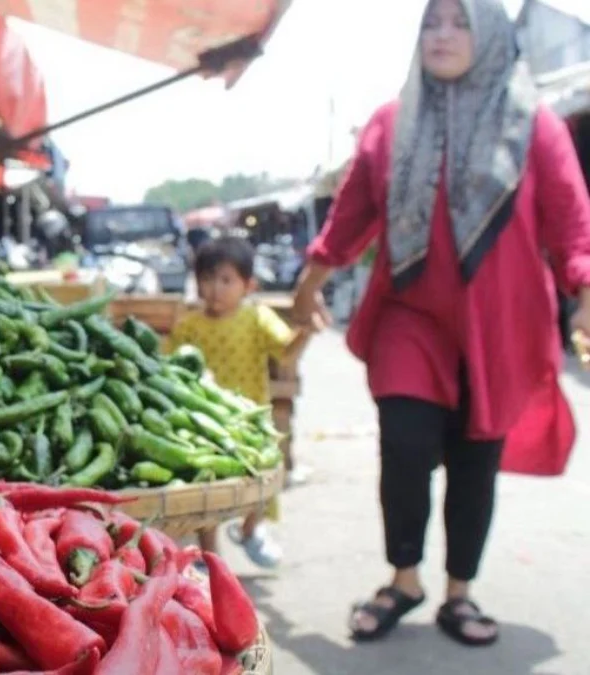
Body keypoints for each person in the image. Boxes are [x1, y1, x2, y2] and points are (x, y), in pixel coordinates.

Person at [292, 0, 590, 647]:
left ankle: (459, 591)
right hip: (411, 317)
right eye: (432, 22)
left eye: (459, 23)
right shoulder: (390, 125)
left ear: (488, 39)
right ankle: (404, 577)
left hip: (500, 327)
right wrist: (307, 286)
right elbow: (348, 223)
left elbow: (572, 225)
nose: (442, 35)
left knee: (474, 457)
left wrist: (585, 288)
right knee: (404, 442)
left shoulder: (533, 126)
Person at [168, 236, 316, 568]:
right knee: (209, 482)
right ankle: (209, 554)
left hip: (253, 416)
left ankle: (251, 529)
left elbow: (286, 350)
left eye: (225, 280)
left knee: (262, 477)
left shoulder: (257, 318)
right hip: (205, 421)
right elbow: (171, 368)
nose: (215, 289)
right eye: (207, 279)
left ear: (248, 285)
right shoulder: (189, 326)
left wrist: (304, 334)